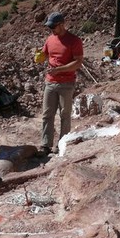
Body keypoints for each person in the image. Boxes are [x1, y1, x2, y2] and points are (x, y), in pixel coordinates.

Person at [36, 12, 84, 156]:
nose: (51, 30)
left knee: (65, 114)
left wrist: (59, 70)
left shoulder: (74, 40)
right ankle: (45, 145)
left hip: (66, 83)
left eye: (53, 27)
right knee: (47, 114)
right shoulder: (50, 39)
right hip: (50, 82)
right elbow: (45, 54)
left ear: (62, 25)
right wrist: (39, 56)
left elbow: (78, 62)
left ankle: (62, 143)